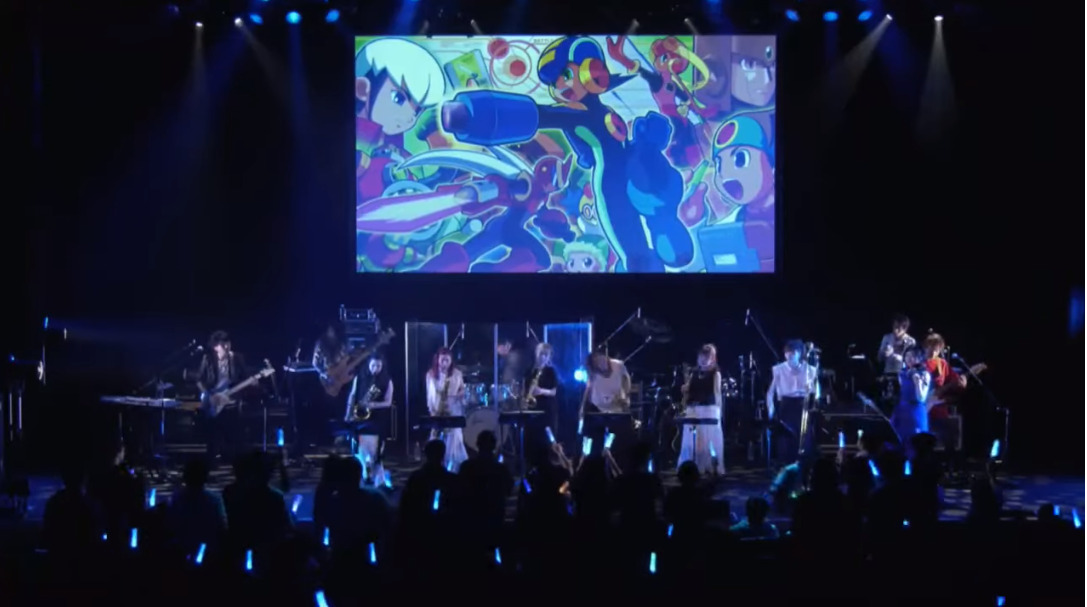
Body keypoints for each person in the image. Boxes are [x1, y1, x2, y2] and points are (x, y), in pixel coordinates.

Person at [195, 331, 250, 460]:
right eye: (223, 344)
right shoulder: (208, 359)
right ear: (215, 347)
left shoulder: (237, 358)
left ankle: (232, 459)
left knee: (233, 435)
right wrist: (207, 395)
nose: (227, 346)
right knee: (212, 434)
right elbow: (199, 380)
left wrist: (251, 382)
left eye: (228, 343)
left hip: (231, 399)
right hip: (213, 399)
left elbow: (245, 377)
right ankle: (212, 459)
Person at [766, 339, 818, 464]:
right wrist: (771, 412)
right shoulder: (778, 369)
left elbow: (816, 391)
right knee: (785, 441)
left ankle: (804, 466)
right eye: (787, 353)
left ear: (799, 353)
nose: (789, 356)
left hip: (803, 406)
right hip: (786, 406)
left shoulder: (809, 370)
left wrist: (812, 400)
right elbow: (770, 392)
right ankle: (786, 466)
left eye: (793, 353)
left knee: (803, 440)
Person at [677, 344, 725, 475]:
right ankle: (691, 466)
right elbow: (688, 389)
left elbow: (717, 393)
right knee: (692, 441)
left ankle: (711, 466)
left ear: (712, 358)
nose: (703, 360)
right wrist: (685, 388)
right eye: (701, 357)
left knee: (709, 441)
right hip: (693, 409)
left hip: (709, 410)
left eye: (706, 357)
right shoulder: (694, 373)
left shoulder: (715, 374)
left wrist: (719, 412)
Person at [346, 355, 394, 485]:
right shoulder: (360, 378)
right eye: (373, 365)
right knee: (360, 450)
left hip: (377, 420)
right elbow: (352, 395)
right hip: (360, 419)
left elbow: (388, 402)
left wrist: (373, 405)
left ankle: (377, 480)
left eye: (378, 366)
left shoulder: (387, 381)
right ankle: (363, 476)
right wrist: (348, 414)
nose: (375, 369)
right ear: (368, 365)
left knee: (375, 453)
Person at [579, 348, 632, 459]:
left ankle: (611, 454)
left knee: (617, 436)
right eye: (597, 363)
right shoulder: (593, 373)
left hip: (615, 408)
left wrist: (625, 394)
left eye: (601, 360)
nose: (601, 364)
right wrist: (582, 408)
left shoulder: (618, 366)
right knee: (593, 434)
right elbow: (587, 389)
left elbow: (626, 380)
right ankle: (590, 458)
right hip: (598, 407)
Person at [426, 347, 468, 471]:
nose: (444, 363)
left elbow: (462, 389)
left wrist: (458, 395)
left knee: (453, 439)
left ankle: (453, 468)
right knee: (436, 438)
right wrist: (431, 409)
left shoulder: (457, 374)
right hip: (437, 410)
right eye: (442, 359)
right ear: (437, 359)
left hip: (452, 410)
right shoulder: (431, 374)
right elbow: (429, 394)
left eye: (447, 360)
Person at [893, 346, 932, 451]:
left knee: (917, 444)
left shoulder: (924, 374)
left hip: (916, 411)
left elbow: (921, 398)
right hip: (902, 410)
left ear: (920, 358)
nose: (909, 359)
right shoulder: (902, 373)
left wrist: (917, 382)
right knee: (900, 443)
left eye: (913, 356)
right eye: (907, 356)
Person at [526, 343, 559, 448]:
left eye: (546, 355)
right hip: (534, 409)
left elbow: (554, 392)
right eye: (541, 354)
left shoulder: (551, 371)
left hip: (547, 409)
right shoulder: (531, 371)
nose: (543, 357)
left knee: (548, 440)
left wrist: (541, 391)